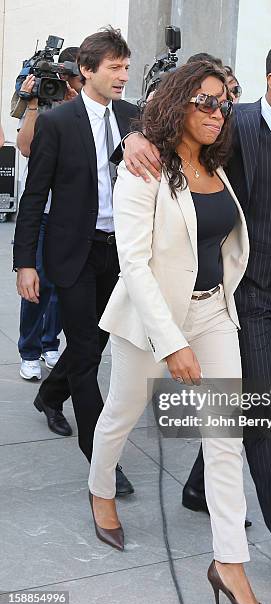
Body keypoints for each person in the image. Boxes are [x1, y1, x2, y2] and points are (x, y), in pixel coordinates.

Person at [121, 37, 271, 590]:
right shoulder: (232, 122)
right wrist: (130, 139)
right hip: (238, 298)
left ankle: (199, 487)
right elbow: (168, 128)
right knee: (260, 415)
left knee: (235, 410)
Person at [88, 60, 269, 604]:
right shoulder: (144, 167)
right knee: (120, 412)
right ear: (178, 104)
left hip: (213, 314)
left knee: (224, 440)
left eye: (224, 102)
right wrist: (171, 342)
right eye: (205, 101)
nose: (217, 113)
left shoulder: (218, 163)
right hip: (149, 321)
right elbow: (134, 265)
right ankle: (99, 492)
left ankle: (229, 566)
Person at [13, 27, 138, 496]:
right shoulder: (58, 122)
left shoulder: (133, 117)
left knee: (95, 344)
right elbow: (34, 196)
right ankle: (101, 457)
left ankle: (49, 394)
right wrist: (26, 261)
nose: (123, 76)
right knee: (87, 354)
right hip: (73, 254)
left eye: (126, 67)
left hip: (120, 253)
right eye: (114, 68)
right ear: (87, 71)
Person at [16, 47, 80, 387]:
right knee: (37, 285)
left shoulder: (81, 107)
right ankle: (28, 351)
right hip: (42, 212)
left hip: (68, 213)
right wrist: (34, 103)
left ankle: (49, 343)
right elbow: (25, 147)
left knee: (60, 286)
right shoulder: (40, 102)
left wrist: (73, 101)